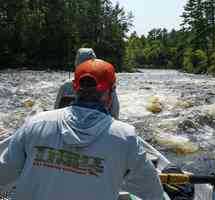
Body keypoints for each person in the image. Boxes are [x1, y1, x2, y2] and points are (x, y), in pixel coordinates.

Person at [0, 59, 164, 200]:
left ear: (75, 87)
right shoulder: (126, 136)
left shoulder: (36, 123)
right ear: (111, 91)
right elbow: (153, 193)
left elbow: (4, 174)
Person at [55, 48, 120, 119]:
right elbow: (114, 113)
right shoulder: (106, 87)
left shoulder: (66, 85)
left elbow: (56, 109)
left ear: (76, 64)